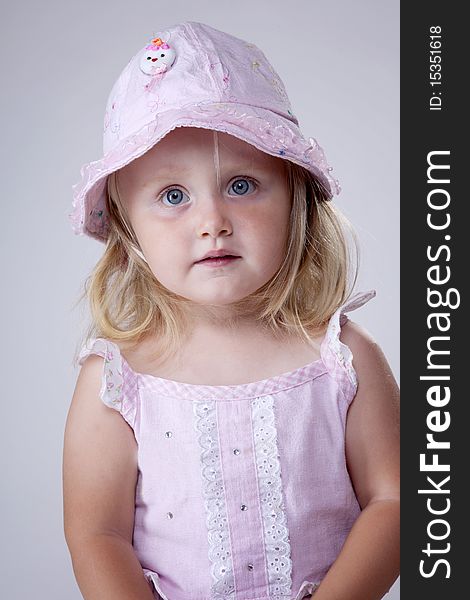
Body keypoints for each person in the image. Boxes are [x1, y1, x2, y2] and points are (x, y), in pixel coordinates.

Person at [63, 21, 399, 600]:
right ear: (128, 226)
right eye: (173, 196)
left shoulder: (341, 358)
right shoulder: (118, 380)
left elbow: (394, 501)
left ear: (295, 199)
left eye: (242, 185)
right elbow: (97, 533)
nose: (212, 220)